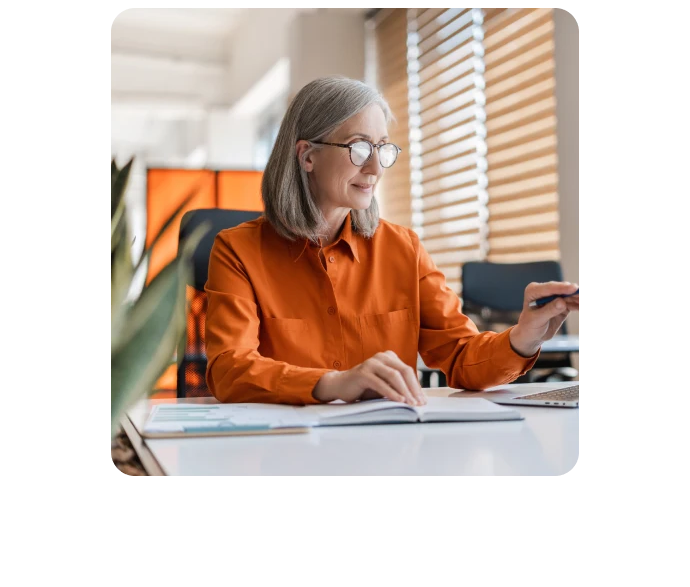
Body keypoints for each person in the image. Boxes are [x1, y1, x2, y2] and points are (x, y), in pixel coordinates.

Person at [204, 76, 580, 406]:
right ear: (307, 156)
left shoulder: (404, 249)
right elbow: (229, 369)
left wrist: (523, 337)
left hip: (390, 450)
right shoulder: (238, 251)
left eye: (382, 148)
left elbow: (462, 357)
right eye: (360, 148)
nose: (375, 168)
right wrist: (332, 383)